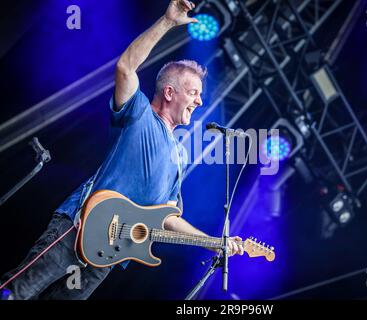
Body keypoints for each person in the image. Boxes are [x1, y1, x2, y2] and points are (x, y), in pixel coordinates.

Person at [0, 0, 244, 300]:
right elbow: (126, 67)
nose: (199, 102)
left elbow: (168, 217)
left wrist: (212, 242)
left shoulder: (179, 157)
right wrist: (167, 22)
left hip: (109, 255)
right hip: (78, 227)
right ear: (170, 92)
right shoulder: (140, 112)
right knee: (17, 292)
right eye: (194, 93)